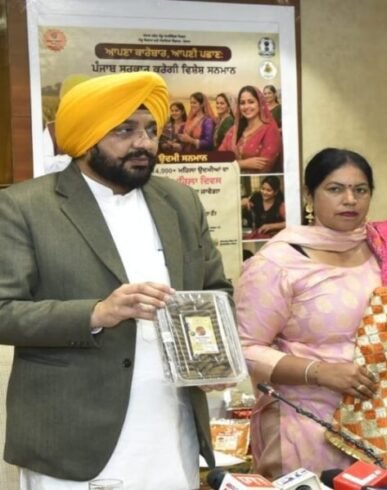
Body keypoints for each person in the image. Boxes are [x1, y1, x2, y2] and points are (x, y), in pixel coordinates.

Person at [0, 72, 231, 489]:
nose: (144, 143)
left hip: (170, 427)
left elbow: (215, 291)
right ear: (87, 137)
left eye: (151, 130)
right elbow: (4, 311)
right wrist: (97, 313)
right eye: (124, 130)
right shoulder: (23, 206)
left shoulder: (180, 201)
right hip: (72, 436)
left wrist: (214, 355)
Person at [236, 148, 387, 476]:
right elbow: (245, 350)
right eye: (335, 189)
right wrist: (320, 372)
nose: (350, 200)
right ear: (309, 195)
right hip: (306, 422)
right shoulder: (278, 262)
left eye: (360, 190)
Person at [219, 85, 283, 173]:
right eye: (242, 103)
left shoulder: (270, 129)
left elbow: (264, 166)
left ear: (260, 104)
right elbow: (219, 160)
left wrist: (231, 165)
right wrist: (242, 164)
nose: (246, 106)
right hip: (230, 180)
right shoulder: (234, 130)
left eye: (251, 102)